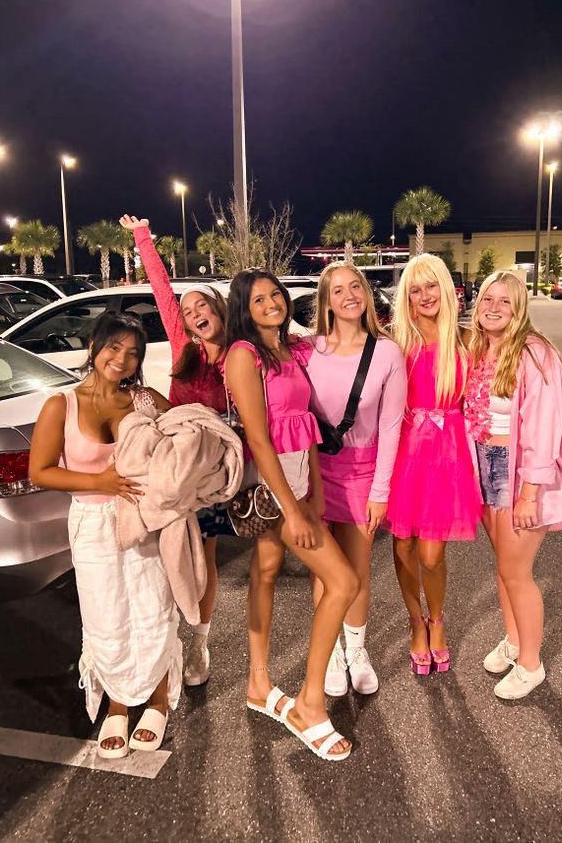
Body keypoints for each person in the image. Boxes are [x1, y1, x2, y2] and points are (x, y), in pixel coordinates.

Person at [224, 269, 359, 761]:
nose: (271, 303)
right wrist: (291, 511)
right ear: (244, 308)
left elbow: (305, 427)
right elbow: (259, 439)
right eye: (258, 299)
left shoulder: (290, 350)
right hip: (271, 487)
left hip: (300, 482)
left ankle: (258, 683)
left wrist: (316, 494)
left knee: (265, 571)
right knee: (343, 583)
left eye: (275, 294)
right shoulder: (243, 355)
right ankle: (310, 702)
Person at [29, 312, 179, 757]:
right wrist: (100, 483)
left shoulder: (145, 401)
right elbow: (41, 471)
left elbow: (186, 441)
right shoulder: (62, 404)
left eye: (133, 352)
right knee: (105, 612)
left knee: (154, 604)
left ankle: (156, 699)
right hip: (92, 523)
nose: (122, 358)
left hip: (144, 519)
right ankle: (117, 705)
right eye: (114, 347)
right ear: (94, 347)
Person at [120, 214, 229, 687]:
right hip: (171, 462)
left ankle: (199, 642)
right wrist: (143, 237)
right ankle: (162, 645)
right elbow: (162, 291)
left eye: (203, 304)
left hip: (210, 470)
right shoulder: (184, 344)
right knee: (161, 556)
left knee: (201, 557)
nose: (193, 312)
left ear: (222, 310)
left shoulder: (239, 353)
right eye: (187, 310)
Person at [464, 271, 562, 699]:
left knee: (517, 571)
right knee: (503, 567)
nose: (493, 307)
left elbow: (544, 430)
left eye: (505, 302)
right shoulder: (480, 348)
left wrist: (530, 492)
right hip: (485, 464)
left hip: (517, 472)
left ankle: (532, 664)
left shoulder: (535, 354)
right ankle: (514, 641)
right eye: (487, 299)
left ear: (520, 308)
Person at [304, 262, 406, 696]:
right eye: (337, 290)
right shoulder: (306, 350)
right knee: (325, 572)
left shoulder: (386, 353)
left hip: (363, 474)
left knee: (358, 571)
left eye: (355, 287)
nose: (348, 296)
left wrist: (380, 492)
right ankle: (328, 654)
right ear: (325, 301)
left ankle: (356, 650)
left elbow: (391, 426)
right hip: (313, 475)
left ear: (365, 295)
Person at [385, 254, 481, 675]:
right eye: (415, 289)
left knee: (430, 555)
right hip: (402, 453)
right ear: (406, 296)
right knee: (403, 545)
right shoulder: (394, 343)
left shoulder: (466, 341)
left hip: (447, 457)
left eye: (431, 287)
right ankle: (415, 622)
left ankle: (437, 618)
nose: (425, 296)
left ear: (445, 289)